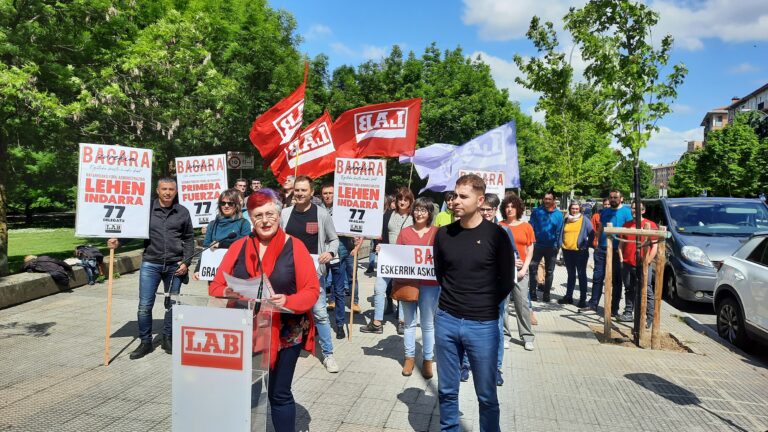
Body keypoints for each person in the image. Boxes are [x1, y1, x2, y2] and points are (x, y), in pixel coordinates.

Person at [208, 190, 319, 432]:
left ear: (279, 215)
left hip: (285, 332)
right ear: (251, 219)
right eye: (258, 216)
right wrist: (232, 292)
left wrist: (287, 299)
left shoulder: (296, 246)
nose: (265, 220)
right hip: (245, 329)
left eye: (270, 214)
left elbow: (311, 291)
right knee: (247, 390)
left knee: (279, 393)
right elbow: (215, 286)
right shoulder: (239, 245)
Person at [433, 174, 513, 432]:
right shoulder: (443, 234)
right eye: (454, 195)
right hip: (446, 320)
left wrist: (482, 305)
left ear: (480, 201)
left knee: (486, 395)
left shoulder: (497, 235)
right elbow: (441, 274)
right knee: (446, 391)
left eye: (463, 196)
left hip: (483, 325)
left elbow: (506, 281)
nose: (455, 201)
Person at [109, 178, 194, 359]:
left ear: (176, 191)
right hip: (151, 264)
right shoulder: (146, 210)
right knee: (144, 306)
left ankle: (167, 338)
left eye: (171, 189)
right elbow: (134, 230)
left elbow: (188, 238)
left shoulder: (182, 211)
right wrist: (118, 242)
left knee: (172, 304)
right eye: (164, 189)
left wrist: (186, 262)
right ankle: (145, 342)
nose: (168, 192)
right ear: (157, 190)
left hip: (175, 265)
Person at [280, 175, 340, 372]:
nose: (299, 193)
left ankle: (328, 354)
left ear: (312, 192)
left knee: (320, 313)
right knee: (287, 310)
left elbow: (334, 240)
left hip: (314, 273)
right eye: (297, 190)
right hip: (288, 273)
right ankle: (287, 347)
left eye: (303, 190)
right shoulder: (285, 213)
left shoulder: (321, 214)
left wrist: (330, 253)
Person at [396, 196, 439, 379]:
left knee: (428, 324)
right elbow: (396, 255)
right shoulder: (405, 233)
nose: (419, 213)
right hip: (408, 283)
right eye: (417, 209)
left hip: (430, 285)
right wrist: (383, 252)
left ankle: (428, 359)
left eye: (423, 210)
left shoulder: (437, 233)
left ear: (429, 213)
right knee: (409, 323)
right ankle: (409, 358)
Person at [360, 187, 414, 335]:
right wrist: (378, 245)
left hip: (404, 258)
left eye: (406, 199)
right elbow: (381, 233)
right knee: (379, 288)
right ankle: (377, 322)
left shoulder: (413, 217)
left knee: (402, 290)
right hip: (387, 257)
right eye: (400, 199)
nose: (402, 202)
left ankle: (402, 321)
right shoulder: (389, 214)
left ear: (410, 201)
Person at [581, 189, 633, 315]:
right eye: (611, 197)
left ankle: (613, 309)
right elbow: (600, 227)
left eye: (615, 197)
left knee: (616, 280)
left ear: (621, 198)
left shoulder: (627, 212)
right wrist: (597, 243)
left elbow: (630, 231)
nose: (613, 199)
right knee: (597, 277)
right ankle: (593, 305)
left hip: (617, 250)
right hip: (602, 249)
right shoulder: (605, 211)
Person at [318, 183, 361, 327]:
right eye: (325, 193)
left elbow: (352, 226)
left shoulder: (343, 210)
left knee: (340, 288)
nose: (328, 196)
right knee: (320, 286)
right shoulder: (317, 210)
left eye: (330, 193)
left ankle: (340, 323)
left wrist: (355, 239)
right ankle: (321, 320)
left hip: (340, 252)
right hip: (321, 252)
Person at [499, 192, 537, 347]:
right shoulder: (500, 226)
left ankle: (527, 337)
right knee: (503, 305)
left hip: (521, 271)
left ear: (518, 209)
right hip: (503, 271)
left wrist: (524, 269)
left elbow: (530, 250)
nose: (509, 209)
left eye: (513, 206)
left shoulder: (526, 226)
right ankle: (505, 335)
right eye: (507, 206)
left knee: (522, 304)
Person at [193, 189, 252, 280]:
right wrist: (198, 269)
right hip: (215, 273)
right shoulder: (212, 224)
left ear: (236, 205)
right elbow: (205, 249)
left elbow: (245, 245)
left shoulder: (244, 223)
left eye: (230, 203)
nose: (226, 206)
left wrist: (222, 244)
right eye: (223, 203)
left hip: (235, 272)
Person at [618, 201, 658, 326]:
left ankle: (649, 317)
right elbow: (621, 244)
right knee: (629, 288)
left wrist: (648, 261)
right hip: (627, 263)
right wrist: (621, 259)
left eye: (638, 208)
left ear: (643, 210)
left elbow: (654, 247)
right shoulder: (627, 225)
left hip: (643, 264)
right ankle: (628, 312)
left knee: (646, 289)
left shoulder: (650, 225)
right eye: (633, 208)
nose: (635, 210)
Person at [528, 191, 563, 303]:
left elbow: (560, 231)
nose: (547, 201)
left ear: (553, 200)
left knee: (550, 271)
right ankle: (532, 293)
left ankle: (546, 294)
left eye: (549, 199)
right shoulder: (537, 212)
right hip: (537, 245)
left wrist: (558, 246)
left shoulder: (558, 215)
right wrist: (530, 243)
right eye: (545, 199)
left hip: (551, 247)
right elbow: (531, 227)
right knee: (533, 269)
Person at [558, 201, 594, 307]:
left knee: (581, 275)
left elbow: (592, 233)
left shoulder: (585, 220)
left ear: (580, 209)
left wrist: (586, 245)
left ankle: (582, 299)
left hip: (580, 252)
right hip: (567, 251)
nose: (574, 210)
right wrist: (560, 244)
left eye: (576, 209)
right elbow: (561, 233)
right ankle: (568, 297)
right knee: (571, 274)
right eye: (573, 208)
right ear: (570, 209)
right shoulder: (566, 220)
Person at [366, 193, 397, 276]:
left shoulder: (392, 213)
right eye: (393, 202)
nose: (394, 205)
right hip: (378, 237)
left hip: (387, 240)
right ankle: (371, 266)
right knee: (374, 250)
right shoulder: (379, 212)